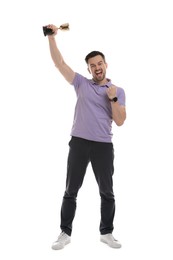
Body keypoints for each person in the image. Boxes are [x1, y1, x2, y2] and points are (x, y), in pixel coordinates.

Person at [45, 24, 126, 250]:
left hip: (103, 146)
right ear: (89, 69)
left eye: (100, 63)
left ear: (105, 65)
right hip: (79, 143)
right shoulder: (81, 83)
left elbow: (120, 121)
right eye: (92, 66)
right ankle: (65, 232)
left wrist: (113, 99)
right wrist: (51, 37)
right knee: (71, 189)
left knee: (107, 191)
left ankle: (107, 233)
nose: (97, 68)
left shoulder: (117, 91)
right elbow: (59, 64)